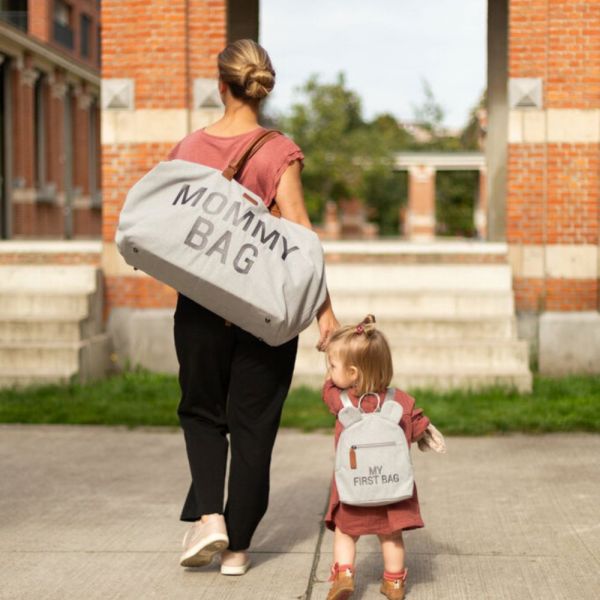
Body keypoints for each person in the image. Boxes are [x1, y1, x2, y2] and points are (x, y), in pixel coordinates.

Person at [168, 39, 339, 574]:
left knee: (201, 412)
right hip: (265, 313)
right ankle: (238, 549)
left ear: (221, 84)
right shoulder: (276, 151)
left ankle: (211, 518)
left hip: (199, 307)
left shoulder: (187, 149)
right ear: (263, 88)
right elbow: (301, 237)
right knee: (253, 426)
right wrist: (324, 313)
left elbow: (173, 231)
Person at [322, 315, 445, 600]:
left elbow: (328, 389)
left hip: (354, 486)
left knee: (345, 532)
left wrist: (330, 377)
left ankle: (344, 574)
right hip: (390, 488)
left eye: (333, 366)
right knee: (391, 535)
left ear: (352, 373)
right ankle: (394, 583)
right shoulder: (399, 400)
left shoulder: (340, 400)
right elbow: (416, 425)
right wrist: (425, 433)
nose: (330, 372)